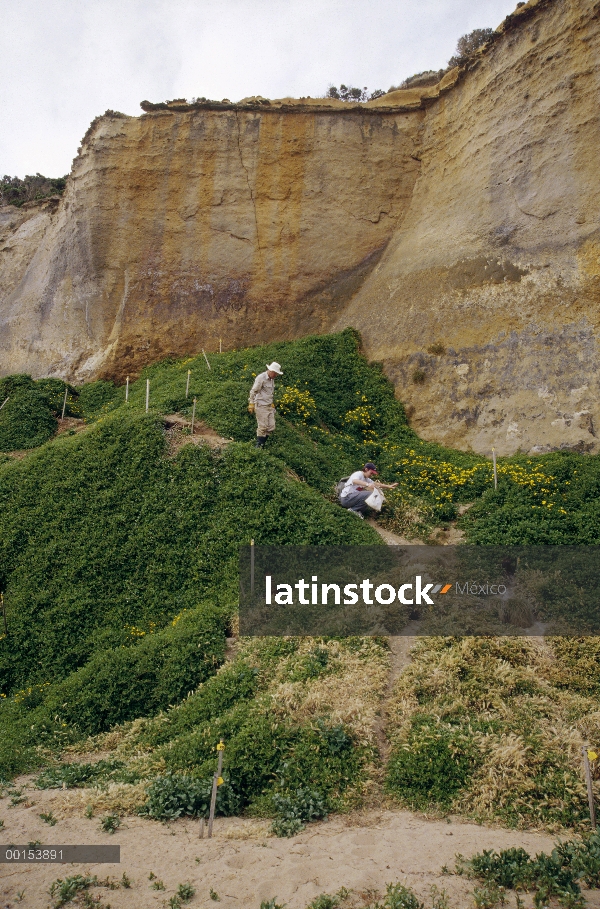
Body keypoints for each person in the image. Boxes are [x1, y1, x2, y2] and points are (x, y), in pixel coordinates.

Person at [248, 361, 283, 447]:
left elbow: (269, 392)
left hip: (269, 406)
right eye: (275, 373)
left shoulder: (272, 379)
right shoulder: (261, 378)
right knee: (263, 427)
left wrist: (271, 403)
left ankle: (262, 443)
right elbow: (254, 391)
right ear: (271, 371)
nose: (276, 376)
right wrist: (251, 403)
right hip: (261, 405)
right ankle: (259, 446)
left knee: (271, 426)